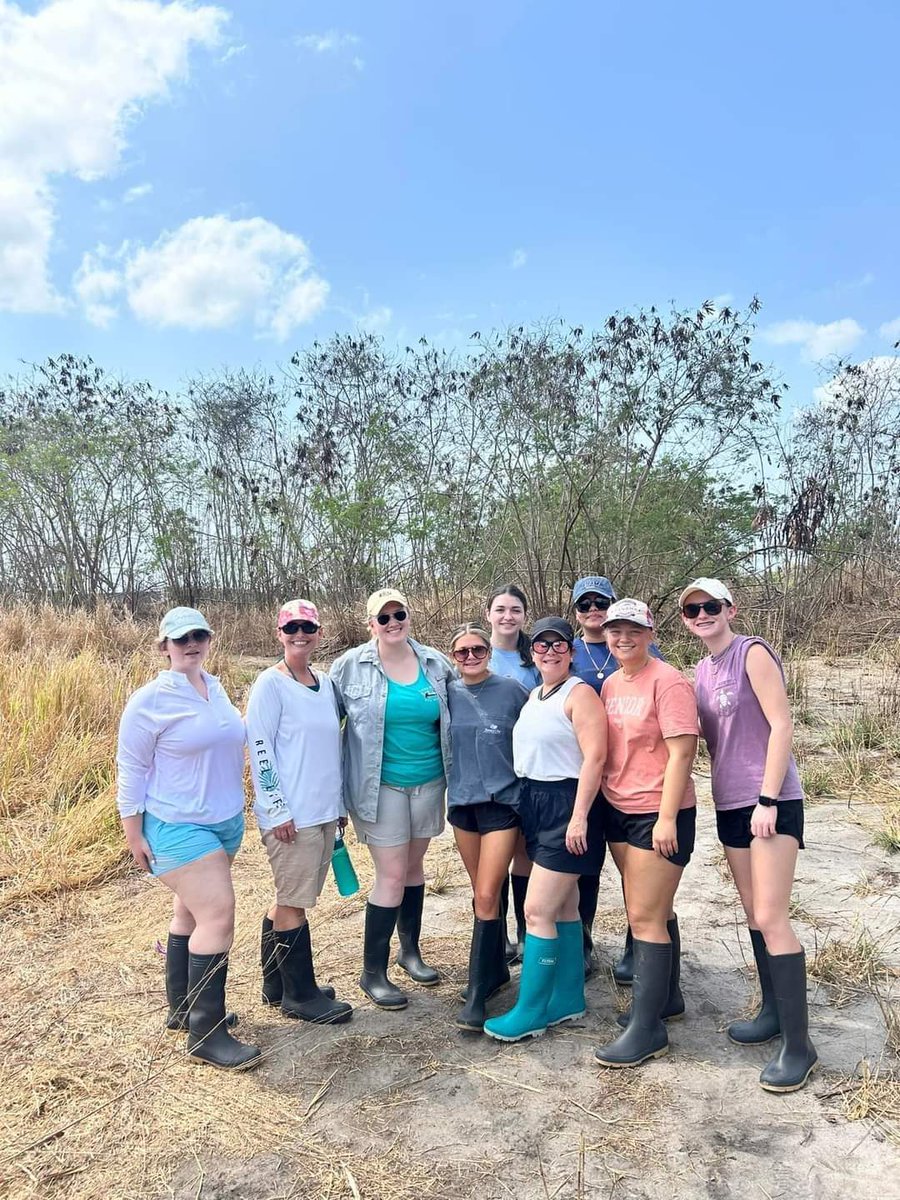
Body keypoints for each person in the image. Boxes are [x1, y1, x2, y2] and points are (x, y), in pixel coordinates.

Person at [681, 578, 817, 1092]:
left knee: (770, 914)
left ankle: (799, 1046)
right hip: (730, 802)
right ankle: (773, 1012)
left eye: (710, 606)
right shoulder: (701, 668)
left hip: (769, 801)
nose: (701, 614)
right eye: (692, 609)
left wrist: (768, 798)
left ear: (729, 608)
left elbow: (781, 725)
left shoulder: (751, 652)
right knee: (751, 909)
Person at [116, 607, 260, 1071]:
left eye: (198, 635)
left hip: (224, 821)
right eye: (180, 639)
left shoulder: (215, 688)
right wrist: (132, 831)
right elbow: (132, 769)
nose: (190, 644)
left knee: (190, 913)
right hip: (176, 825)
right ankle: (207, 1033)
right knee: (218, 912)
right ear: (164, 647)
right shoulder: (149, 700)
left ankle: (183, 1009)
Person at [483, 617, 606, 1043]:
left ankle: (530, 1011)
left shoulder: (580, 694)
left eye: (558, 645)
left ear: (571, 652)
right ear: (530, 653)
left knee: (536, 911)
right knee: (566, 907)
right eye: (540, 645)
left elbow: (594, 759)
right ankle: (568, 997)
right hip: (533, 802)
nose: (549, 651)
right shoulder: (535, 694)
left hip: (567, 805)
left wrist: (579, 816)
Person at [330, 588, 453, 1010]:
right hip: (379, 786)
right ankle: (373, 972)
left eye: (398, 614)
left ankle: (410, 951)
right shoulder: (349, 668)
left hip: (429, 782)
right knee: (391, 874)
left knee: (415, 868)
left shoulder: (436, 663)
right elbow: (325, 730)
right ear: (371, 625)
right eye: (383, 618)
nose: (392, 622)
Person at [592, 599, 697, 1070]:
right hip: (619, 808)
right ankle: (666, 1001)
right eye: (615, 630)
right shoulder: (612, 683)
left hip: (658, 811)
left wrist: (668, 818)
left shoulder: (669, 681)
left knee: (643, 917)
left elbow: (681, 755)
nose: (622, 638)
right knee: (653, 908)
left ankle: (647, 1028)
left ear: (650, 633)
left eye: (633, 629)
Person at [245, 599, 353, 1026]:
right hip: (292, 815)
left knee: (288, 898)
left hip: (322, 809)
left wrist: (339, 805)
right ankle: (301, 996)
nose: (299, 635)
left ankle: (278, 984)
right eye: (291, 629)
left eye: (307, 627)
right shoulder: (270, 685)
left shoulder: (324, 683)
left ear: (319, 633)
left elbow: (330, 749)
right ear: (279, 634)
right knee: (294, 902)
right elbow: (259, 747)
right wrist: (276, 808)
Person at [570, 574, 663, 983]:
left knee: (634, 868)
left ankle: (635, 944)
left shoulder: (642, 648)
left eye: (600, 602)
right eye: (584, 603)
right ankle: (582, 942)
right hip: (581, 776)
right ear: (575, 612)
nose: (592, 609)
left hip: (630, 776)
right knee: (585, 864)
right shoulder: (565, 650)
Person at [446, 624, 529, 1031]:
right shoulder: (446, 694)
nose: (471, 657)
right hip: (463, 803)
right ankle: (494, 970)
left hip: (502, 802)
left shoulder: (512, 690)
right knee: (482, 893)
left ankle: (477, 994)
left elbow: (535, 736)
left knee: (485, 891)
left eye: (477, 649)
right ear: (453, 657)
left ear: (489, 652)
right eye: (462, 652)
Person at [484, 584, 540, 962]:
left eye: (515, 610)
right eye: (501, 609)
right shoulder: (474, 654)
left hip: (530, 767)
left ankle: (524, 931)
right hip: (488, 769)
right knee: (493, 856)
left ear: (524, 615)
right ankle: (498, 935)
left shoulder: (533, 660)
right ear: (488, 613)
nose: (508, 616)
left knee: (525, 852)